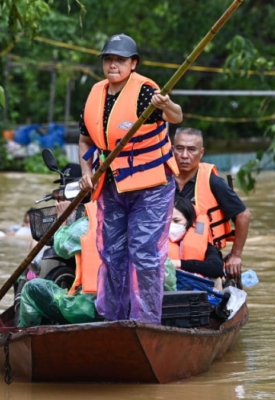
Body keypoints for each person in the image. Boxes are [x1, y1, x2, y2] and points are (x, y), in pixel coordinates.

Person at [77, 33, 183, 325]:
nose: (113, 65)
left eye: (120, 60)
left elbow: (177, 116)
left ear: (133, 64)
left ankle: (147, 322)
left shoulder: (146, 93)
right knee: (111, 254)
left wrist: (166, 105)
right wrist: (86, 173)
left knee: (144, 254)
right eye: (109, 59)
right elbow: (85, 140)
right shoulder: (96, 94)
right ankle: (112, 319)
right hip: (112, 186)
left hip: (151, 188)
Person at [17, 198, 221, 327]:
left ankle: (26, 333)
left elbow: (61, 247)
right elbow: (167, 281)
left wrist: (64, 220)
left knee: (32, 288)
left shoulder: (88, 223)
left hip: (91, 310)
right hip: (143, 310)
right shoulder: (151, 226)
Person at [172, 127, 251, 278]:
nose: (184, 155)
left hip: (204, 254)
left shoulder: (212, 181)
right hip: (166, 252)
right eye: (179, 149)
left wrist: (236, 255)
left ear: (201, 153)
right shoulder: (161, 179)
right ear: (172, 149)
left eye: (191, 150)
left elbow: (243, 215)